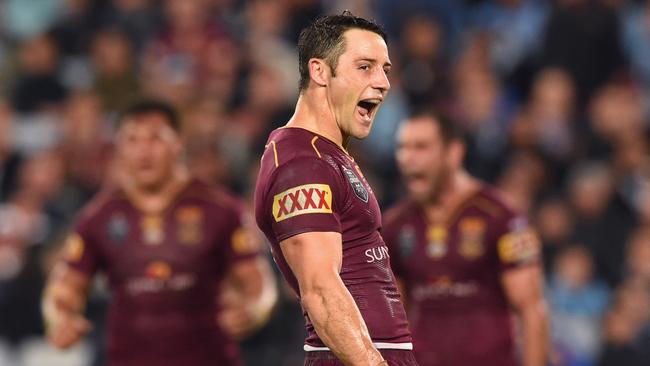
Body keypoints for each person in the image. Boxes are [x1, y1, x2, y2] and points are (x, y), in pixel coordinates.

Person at [42, 100, 277, 366]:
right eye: (132, 140)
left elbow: (257, 282)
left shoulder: (221, 211)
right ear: (119, 148)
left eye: (155, 138)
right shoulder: (98, 217)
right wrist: (61, 317)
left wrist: (254, 309)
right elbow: (66, 286)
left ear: (179, 143)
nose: (144, 151)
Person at [254, 12, 416, 366]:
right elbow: (321, 292)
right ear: (320, 71)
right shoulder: (301, 163)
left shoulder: (327, 155)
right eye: (365, 66)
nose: (383, 82)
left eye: (385, 69)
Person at [382, 112, 549, 366]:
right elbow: (392, 317)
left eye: (421, 147)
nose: (408, 158)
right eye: (402, 148)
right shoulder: (395, 225)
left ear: (453, 153)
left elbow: (531, 311)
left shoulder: (503, 218)